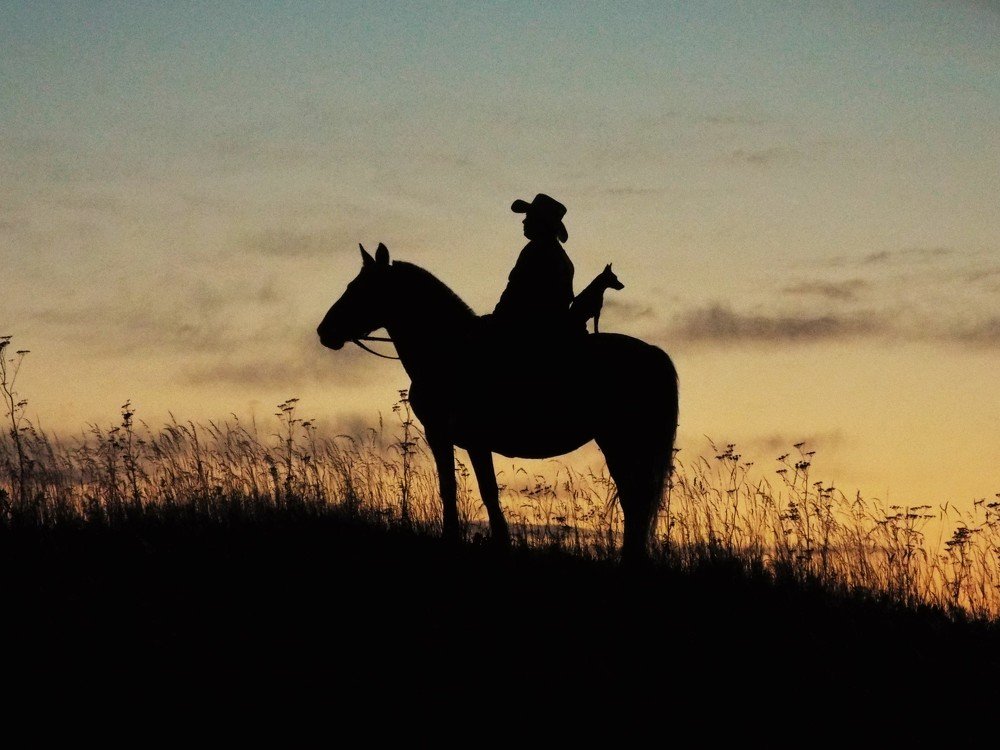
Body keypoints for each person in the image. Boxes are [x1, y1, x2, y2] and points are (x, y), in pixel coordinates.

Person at [492, 193, 578, 337]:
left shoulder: (536, 250)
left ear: (541, 221)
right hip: (554, 326)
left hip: (530, 328)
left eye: (529, 216)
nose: (524, 221)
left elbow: (514, 293)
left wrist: (495, 321)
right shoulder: (561, 256)